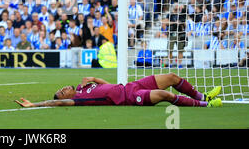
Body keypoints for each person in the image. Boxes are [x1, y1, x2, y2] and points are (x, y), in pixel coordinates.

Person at [15, 73, 223, 108]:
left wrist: (96, 78)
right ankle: (206, 104)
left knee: (171, 78)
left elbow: (108, 86)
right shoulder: (78, 100)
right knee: (165, 95)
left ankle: (203, 95)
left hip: (132, 85)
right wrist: (35, 104)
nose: (63, 89)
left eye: (62, 88)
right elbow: (57, 103)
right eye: (61, 91)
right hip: (130, 97)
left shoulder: (83, 86)